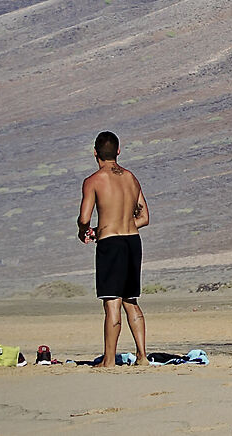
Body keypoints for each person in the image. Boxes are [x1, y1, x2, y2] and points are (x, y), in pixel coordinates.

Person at [76, 130, 152, 366]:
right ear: (118, 151)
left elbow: (84, 218)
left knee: (112, 302)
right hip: (132, 241)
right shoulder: (131, 178)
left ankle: (109, 360)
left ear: (95, 153)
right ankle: (142, 356)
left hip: (111, 243)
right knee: (131, 300)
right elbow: (144, 217)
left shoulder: (93, 181)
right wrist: (122, 223)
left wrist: (86, 230)